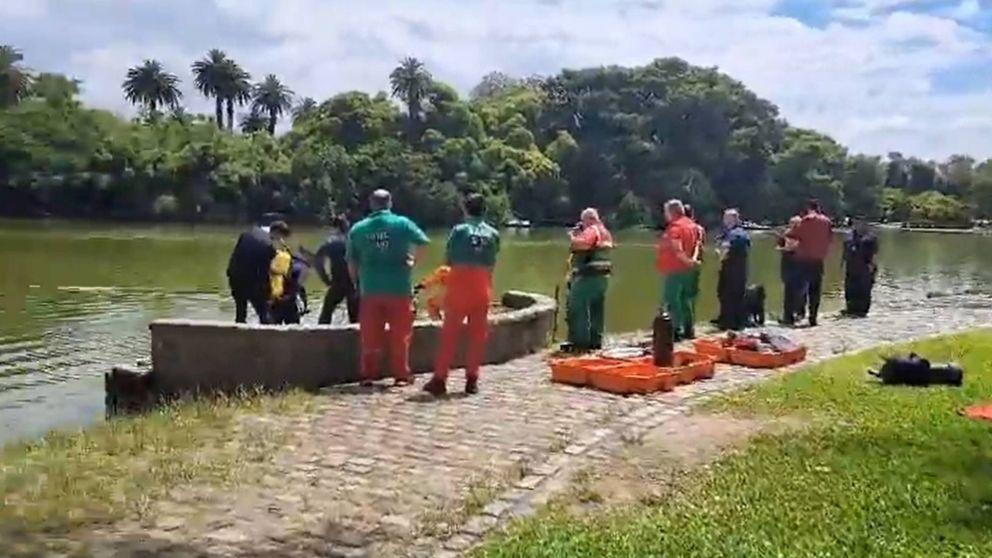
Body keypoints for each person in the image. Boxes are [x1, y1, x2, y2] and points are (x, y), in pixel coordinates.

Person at [348, 189, 430, 387]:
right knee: (400, 334)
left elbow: (352, 262)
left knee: (370, 334)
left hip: (371, 288)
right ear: (390, 203)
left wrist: (356, 283)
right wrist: (412, 263)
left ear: (371, 204)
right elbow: (423, 244)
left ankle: (368, 375)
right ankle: (401, 375)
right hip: (399, 288)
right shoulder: (402, 223)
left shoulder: (358, 229)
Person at [424, 194, 501, 396]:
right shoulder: (493, 234)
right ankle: (472, 380)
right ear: (485, 210)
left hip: (460, 284)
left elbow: (447, 260)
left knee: (449, 334)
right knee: (477, 335)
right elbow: (492, 263)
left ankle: (440, 379)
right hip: (483, 285)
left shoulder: (459, 231)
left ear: (465, 210)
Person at [563, 208, 614, 352]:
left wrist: (573, 238)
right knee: (597, 309)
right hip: (603, 277)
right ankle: (595, 341)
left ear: (588, 219)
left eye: (582, 221)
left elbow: (582, 244)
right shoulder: (606, 232)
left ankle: (579, 342)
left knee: (577, 307)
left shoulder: (592, 229)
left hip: (588, 276)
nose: (581, 225)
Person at [657, 199, 700, 340]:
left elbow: (677, 249)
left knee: (672, 301)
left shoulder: (675, 227)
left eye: (666, 212)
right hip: (689, 271)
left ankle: (676, 331)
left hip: (675, 270)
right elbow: (697, 245)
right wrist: (692, 261)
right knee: (685, 300)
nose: (665, 215)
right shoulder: (692, 226)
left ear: (672, 212)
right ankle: (689, 330)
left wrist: (686, 261)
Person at [226, 220, 277, 324]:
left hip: (235, 278)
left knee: (240, 313)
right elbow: (266, 273)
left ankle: (239, 335)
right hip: (252, 282)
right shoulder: (269, 246)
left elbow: (237, 256)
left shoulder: (246, 234)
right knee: (264, 313)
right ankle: (268, 336)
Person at [791, 200, 833, 327]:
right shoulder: (827, 222)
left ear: (809, 208)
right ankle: (813, 317)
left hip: (803, 259)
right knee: (815, 290)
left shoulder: (806, 220)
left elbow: (794, 234)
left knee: (800, 288)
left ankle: (799, 313)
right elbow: (830, 239)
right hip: (818, 260)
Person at [315, 215, 359, 325]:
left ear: (334, 228)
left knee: (326, 314)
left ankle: (321, 338)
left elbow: (318, 262)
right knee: (356, 319)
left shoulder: (330, 243)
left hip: (337, 282)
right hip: (354, 282)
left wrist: (325, 278)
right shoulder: (355, 240)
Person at [715, 209, 750, 331]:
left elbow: (724, 251)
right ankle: (736, 321)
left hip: (730, 270)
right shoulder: (742, 233)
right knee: (736, 296)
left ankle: (728, 323)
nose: (724, 220)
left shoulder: (733, 234)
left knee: (727, 295)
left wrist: (719, 254)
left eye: (726, 218)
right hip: (740, 270)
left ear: (733, 219)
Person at [842, 217, 879, 317]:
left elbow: (874, 255)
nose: (858, 225)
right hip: (851, 268)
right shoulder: (849, 237)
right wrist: (843, 265)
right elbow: (845, 253)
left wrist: (872, 269)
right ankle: (851, 309)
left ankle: (862, 311)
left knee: (864, 291)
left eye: (861, 223)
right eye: (856, 222)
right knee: (850, 290)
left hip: (865, 268)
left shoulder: (870, 238)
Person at [777, 216, 803, 325]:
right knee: (788, 291)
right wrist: (785, 249)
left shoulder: (804, 235)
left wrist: (796, 248)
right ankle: (788, 316)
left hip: (800, 265)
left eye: (796, 224)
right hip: (787, 264)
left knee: (800, 291)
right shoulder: (785, 235)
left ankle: (799, 313)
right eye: (792, 223)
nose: (793, 226)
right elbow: (778, 247)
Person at [271, 253, 310, 325]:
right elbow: (300, 289)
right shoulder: (294, 272)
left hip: (280, 304)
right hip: (285, 304)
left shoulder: (275, 272)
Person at [684, 205, 706, 322]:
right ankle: (691, 321)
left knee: (682, 294)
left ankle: (686, 323)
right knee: (692, 294)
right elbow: (701, 245)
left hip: (685, 264)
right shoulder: (700, 229)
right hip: (697, 264)